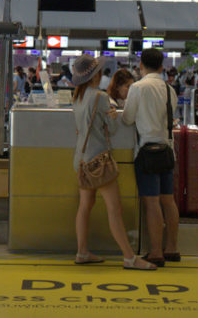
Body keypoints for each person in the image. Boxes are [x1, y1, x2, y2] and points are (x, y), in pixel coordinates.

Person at [71, 54, 156, 271]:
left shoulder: (77, 97)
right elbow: (114, 128)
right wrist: (113, 116)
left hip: (80, 160)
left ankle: (82, 252)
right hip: (98, 160)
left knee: (85, 206)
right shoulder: (99, 97)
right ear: (95, 75)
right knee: (114, 208)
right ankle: (129, 257)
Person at [122, 48, 180, 267]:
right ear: (162, 67)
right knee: (168, 200)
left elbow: (127, 119)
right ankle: (172, 248)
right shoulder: (169, 89)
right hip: (166, 150)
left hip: (147, 151)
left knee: (152, 201)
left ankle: (156, 251)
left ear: (140, 66)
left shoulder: (138, 87)